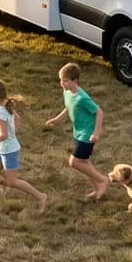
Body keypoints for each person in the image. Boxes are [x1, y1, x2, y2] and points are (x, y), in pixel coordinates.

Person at [0, 77, 47, 213]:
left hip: (9, 151)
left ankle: (41, 196)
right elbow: (17, 119)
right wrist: (13, 131)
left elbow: (3, 135)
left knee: (12, 182)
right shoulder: (4, 104)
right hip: (1, 148)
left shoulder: (0, 112)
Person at [44, 62, 109, 200]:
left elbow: (99, 112)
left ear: (75, 81)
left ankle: (103, 180)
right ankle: (97, 189)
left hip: (87, 134)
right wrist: (57, 119)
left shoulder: (82, 98)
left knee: (74, 162)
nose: (62, 83)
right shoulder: (67, 92)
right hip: (78, 132)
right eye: (61, 80)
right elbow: (68, 107)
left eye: (65, 81)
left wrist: (96, 133)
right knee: (84, 162)